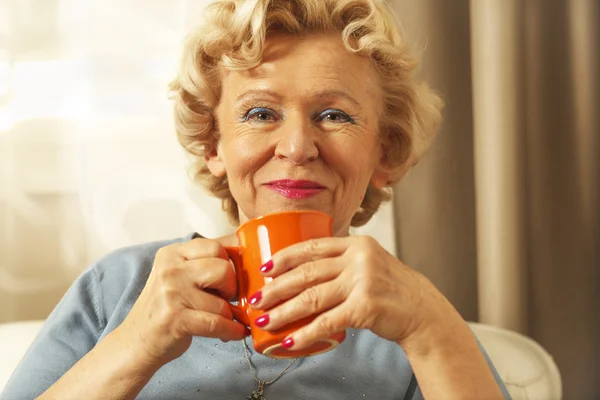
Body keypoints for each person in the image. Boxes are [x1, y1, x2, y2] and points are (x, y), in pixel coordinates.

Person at [1, 0, 511, 399]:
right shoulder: (119, 289)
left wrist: (430, 328)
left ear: (385, 152)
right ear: (212, 143)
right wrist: (135, 346)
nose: (296, 147)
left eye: (335, 115)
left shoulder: (410, 322)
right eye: (261, 114)